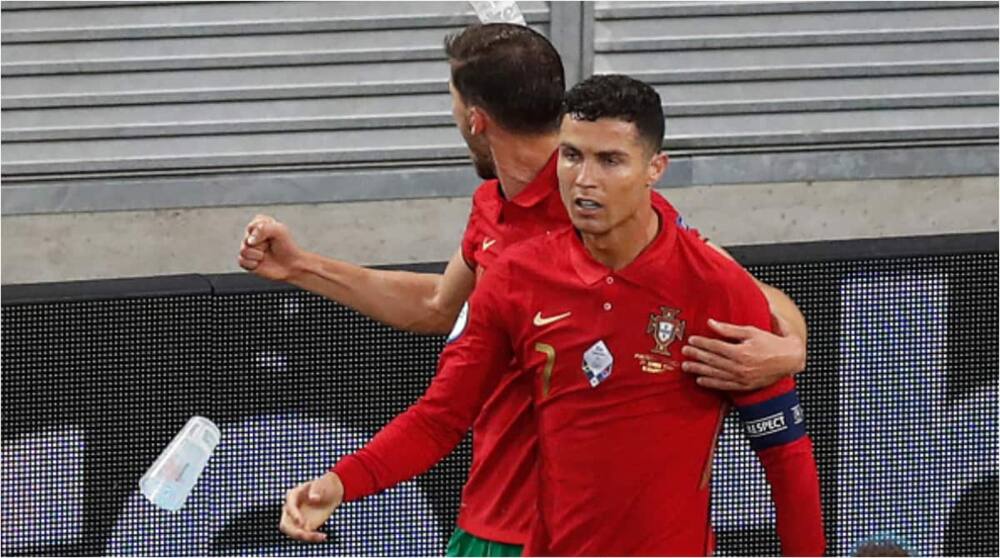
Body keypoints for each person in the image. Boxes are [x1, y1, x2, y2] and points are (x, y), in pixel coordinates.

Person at [241, 24, 810, 555]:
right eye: (574, 157)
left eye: (609, 161)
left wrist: (789, 351)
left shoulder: (621, 219)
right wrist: (301, 268)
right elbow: (441, 311)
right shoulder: (498, 221)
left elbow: (754, 302)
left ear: (476, 119)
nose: (586, 178)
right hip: (495, 518)